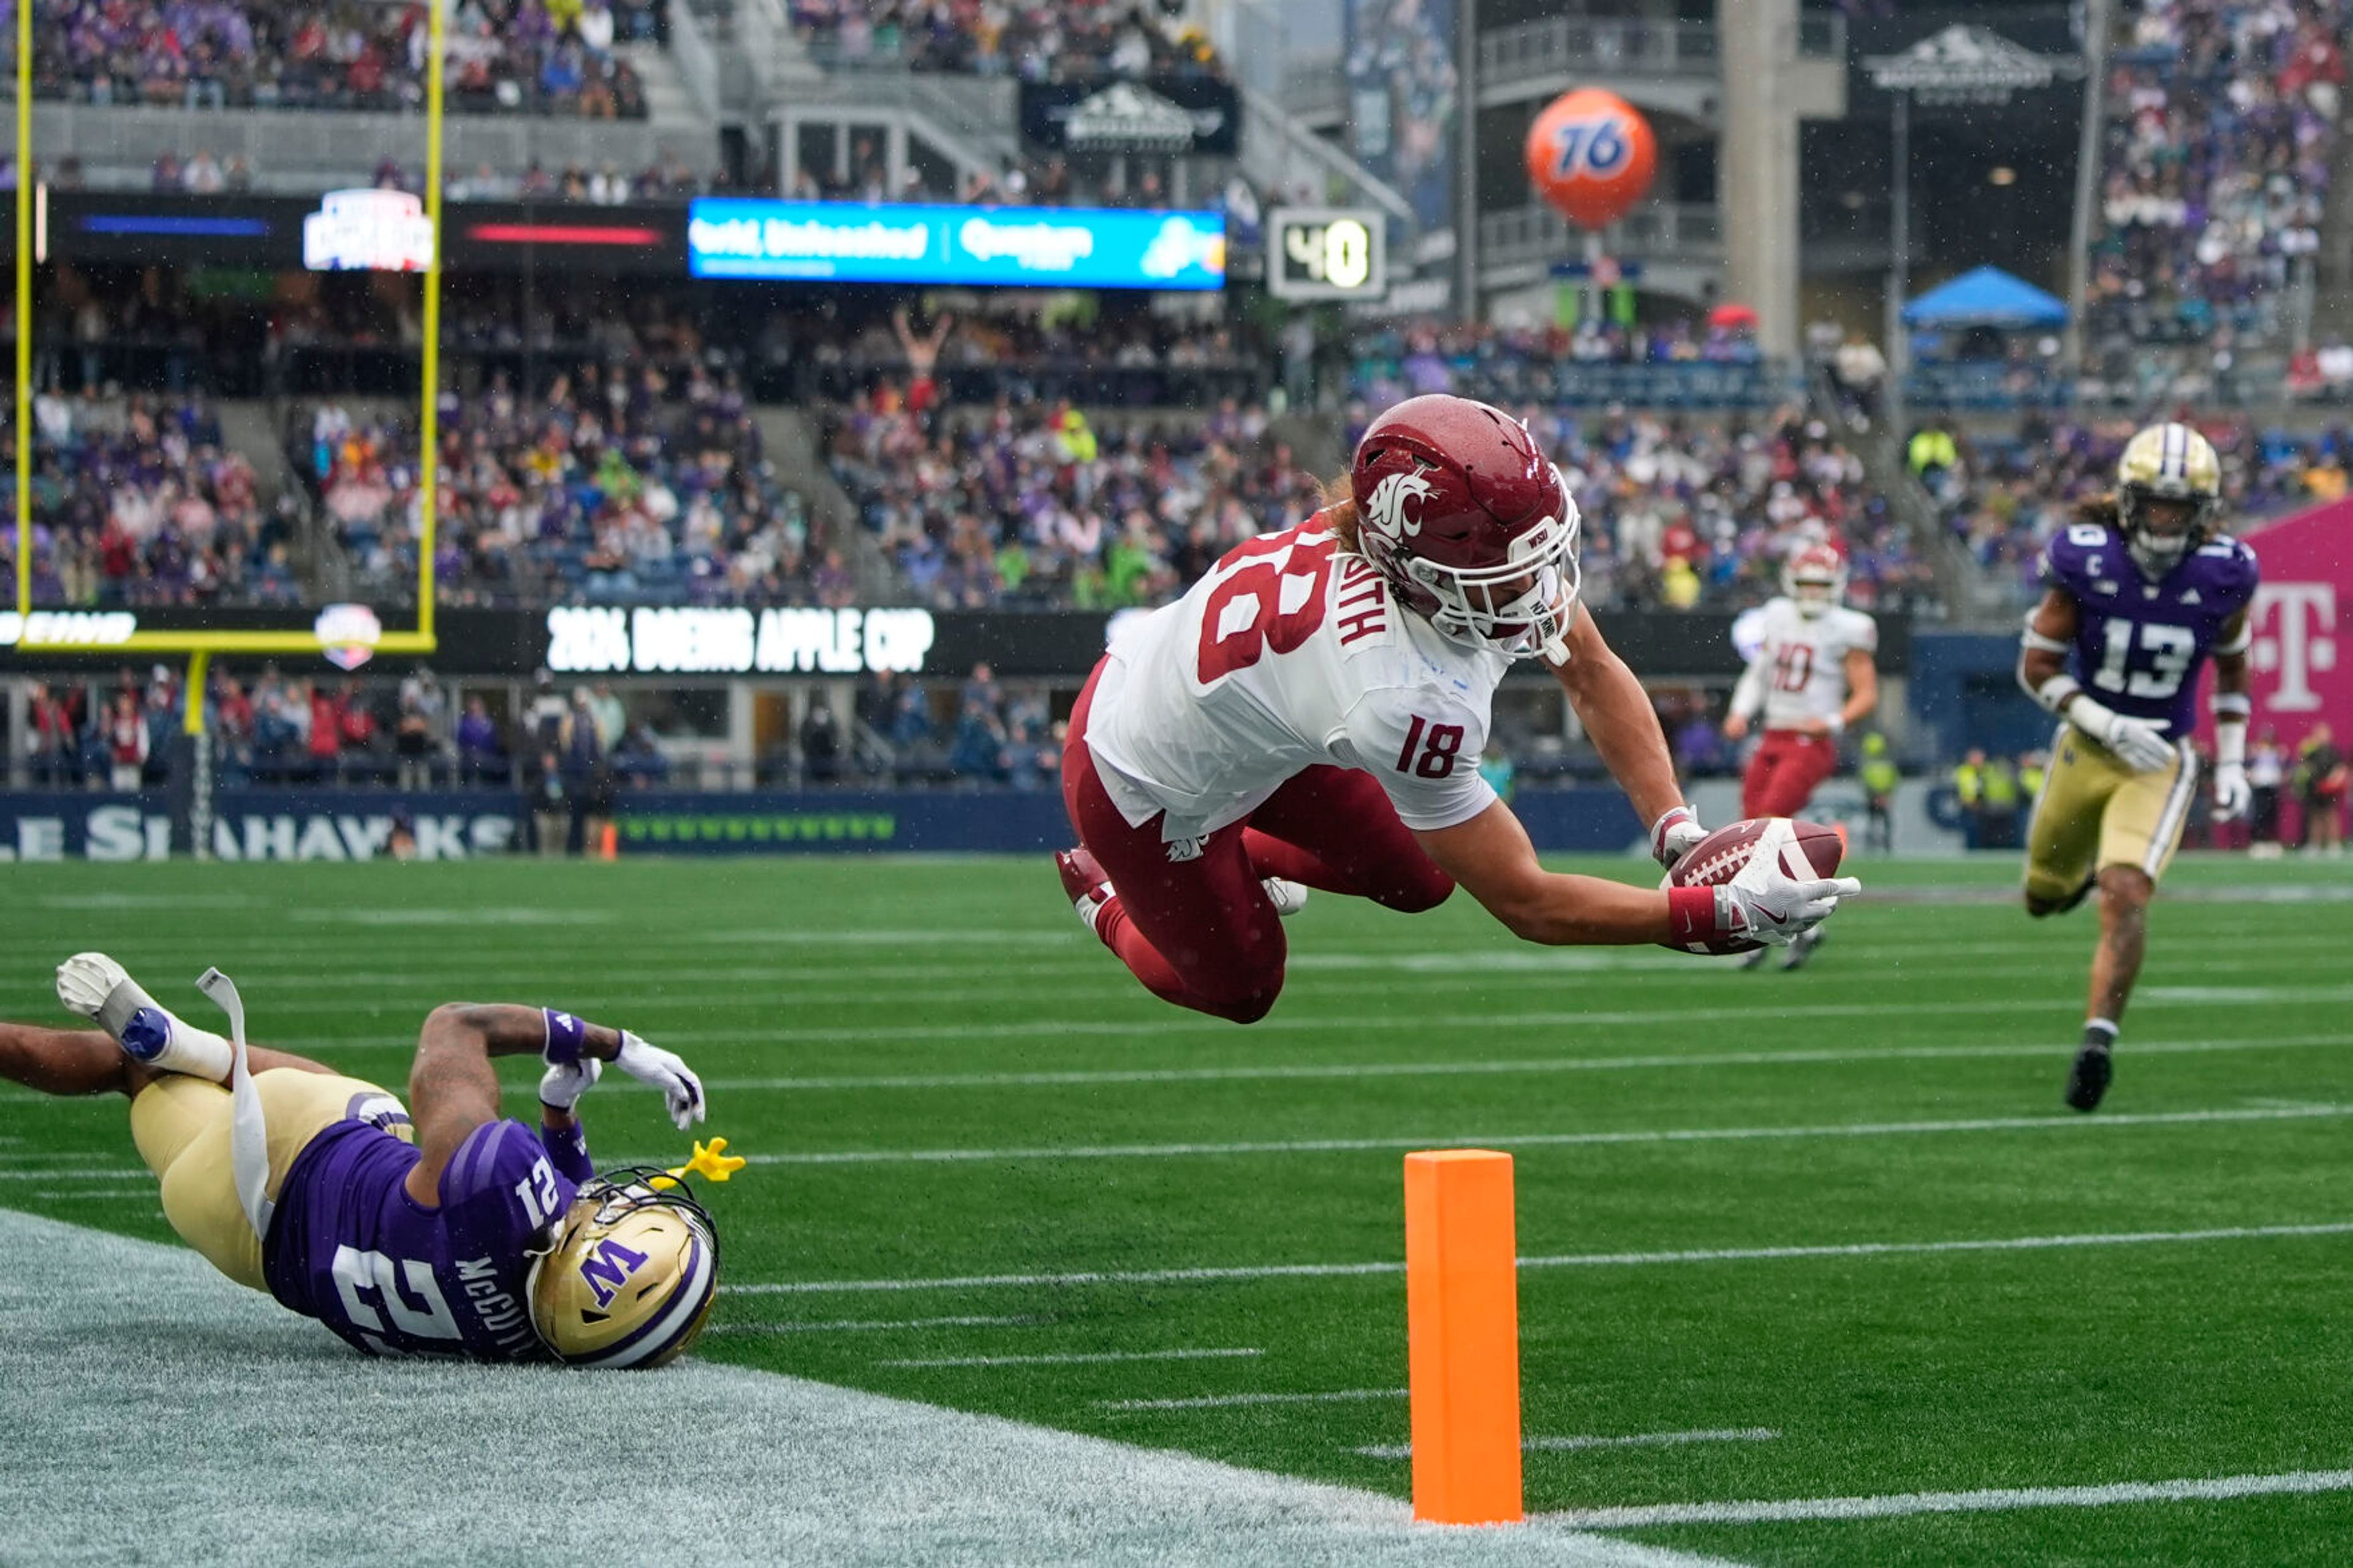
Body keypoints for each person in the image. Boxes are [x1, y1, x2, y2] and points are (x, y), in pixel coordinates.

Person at [1053, 394, 1858, 1023]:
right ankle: (1103, 895)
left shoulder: (1441, 546)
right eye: (1502, 572)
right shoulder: (1398, 695)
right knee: (1244, 986)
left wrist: (1677, 830)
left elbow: (1591, 669)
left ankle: (1247, 852)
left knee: (1421, 879)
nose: (1531, 582)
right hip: (1143, 782)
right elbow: (1526, 900)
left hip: (1234, 723)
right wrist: (1707, 913)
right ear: (1417, 570)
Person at [7, 952, 719, 1365]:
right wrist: (561, 1113)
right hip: (250, 1238)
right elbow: (550, 1248)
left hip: (308, 1139)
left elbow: (456, 1028)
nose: (616, 1208)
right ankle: (191, 1050)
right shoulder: (538, 1342)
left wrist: (616, 1046)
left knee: (134, 1066)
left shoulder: (495, 1186)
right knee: (141, 1076)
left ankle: (193, 1049)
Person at [2017, 422, 2259, 1112]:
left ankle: (2097, 1041)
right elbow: (2036, 668)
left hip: (2162, 758)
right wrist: (2104, 719)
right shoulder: (2087, 560)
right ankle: (2089, 866)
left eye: (2180, 509)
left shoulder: (2226, 573)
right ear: (2127, 501)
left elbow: (2234, 671)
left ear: (2203, 512)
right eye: (2155, 505)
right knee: (2040, 897)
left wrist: (2234, 761)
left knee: (2126, 890)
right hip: (2088, 747)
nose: (2165, 521)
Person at [1720, 542, 1879, 969]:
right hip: (1773, 733)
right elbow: (1760, 672)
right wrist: (1740, 711)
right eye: (1806, 583)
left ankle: (1764, 929)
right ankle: (1804, 926)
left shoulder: (1850, 627)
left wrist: (1830, 721)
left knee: (1768, 824)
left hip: (1810, 742)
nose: (1812, 592)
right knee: (1747, 832)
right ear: (1793, 581)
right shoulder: (1776, 615)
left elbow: (1866, 693)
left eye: (1820, 585)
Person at [2301, 722, 2347, 855]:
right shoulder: (2311, 751)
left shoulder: (2334, 751)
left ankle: (2333, 844)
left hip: (2329, 789)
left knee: (2330, 815)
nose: (2321, 736)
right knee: (2314, 816)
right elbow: (2306, 765)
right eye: (2318, 734)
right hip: (2315, 788)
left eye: (2324, 733)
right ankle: (2315, 844)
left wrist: (2331, 783)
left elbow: (2340, 769)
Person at [2247, 727, 2286, 858]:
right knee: (2259, 815)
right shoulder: (2256, 752)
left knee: (2272, 816)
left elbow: (2286, 768)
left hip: (2272, 787)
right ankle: (2258, 841)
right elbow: (2248, 766)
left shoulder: (2277, 752)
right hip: (2259, 787)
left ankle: (2271, 842)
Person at [1860, 732, 1899, 854]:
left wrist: (1878, 795)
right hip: (1878, 797)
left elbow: (1864, 781)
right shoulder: (1887, 764)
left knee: (1876, 822)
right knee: (1879, 822)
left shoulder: (1868, 765)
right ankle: (1882, 846)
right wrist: (1885, 795)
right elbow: (1894, 780)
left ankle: (1880, 846)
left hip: (1876, 797)